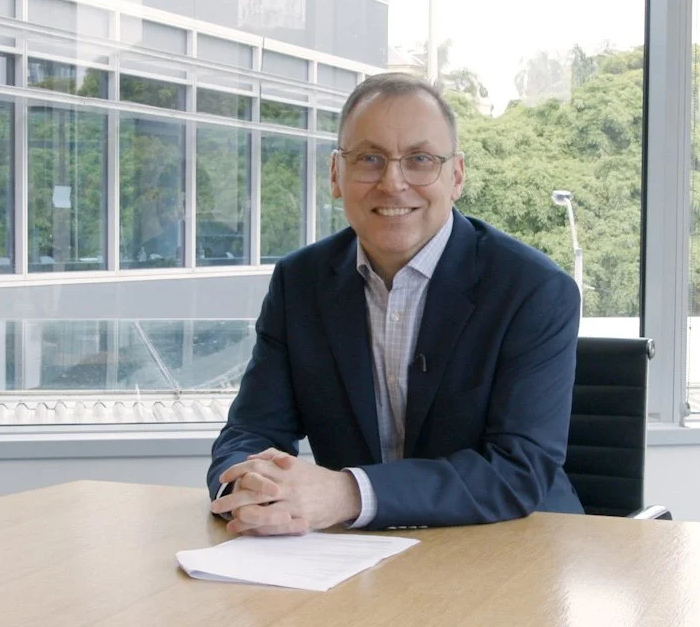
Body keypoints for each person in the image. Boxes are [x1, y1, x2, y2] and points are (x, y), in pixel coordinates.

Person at [207, 72, 583, 535]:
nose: (392, 182)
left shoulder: (533, 289)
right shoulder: (299, 283)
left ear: (456, 176)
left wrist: (348, 493)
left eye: (420, 160)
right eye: (369, 159)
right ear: (335, 175)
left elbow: (518, 469)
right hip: (362, 558)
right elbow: (252, 430)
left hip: (513, 548)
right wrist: (247, 486)